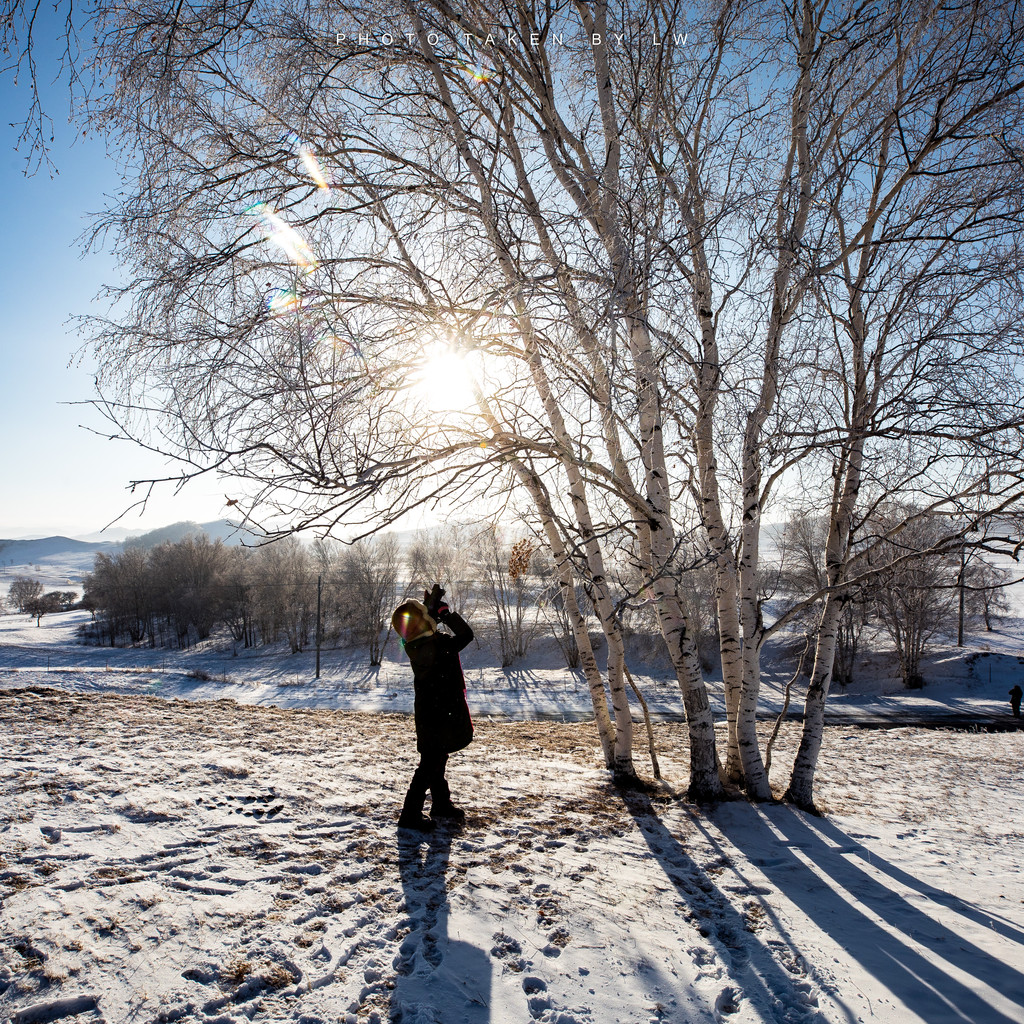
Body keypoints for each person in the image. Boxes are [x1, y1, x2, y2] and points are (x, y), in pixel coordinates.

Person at [392, 584, 474, 831]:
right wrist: (445, 614)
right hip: (440, 713)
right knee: (430, 764)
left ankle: (440, 804)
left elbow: (427, 631)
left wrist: (429, 613)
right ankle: (409, 815)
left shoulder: (417, 645)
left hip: (431, 713)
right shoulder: (437, 647)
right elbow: (466, 635)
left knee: (436, 759)